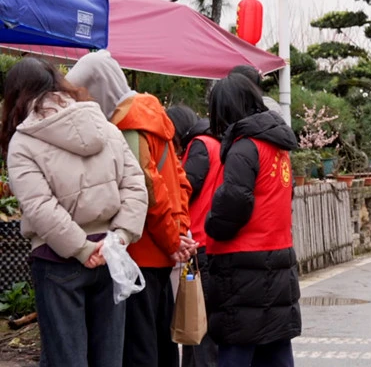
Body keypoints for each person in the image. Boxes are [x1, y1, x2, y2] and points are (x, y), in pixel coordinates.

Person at [1, 58, 148, 367]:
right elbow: (136, 185)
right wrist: (120, 237)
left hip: (58, 261)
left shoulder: (23, 142)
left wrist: (81, 249)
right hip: (111, 255)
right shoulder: (105, 128)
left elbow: (39, 207)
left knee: (65, 359)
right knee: (108, 359)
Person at [66, 51, 196, 367]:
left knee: (140, 350)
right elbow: (180, 183)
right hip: (162, 255)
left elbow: (149, 193)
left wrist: (171, 241)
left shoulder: (127, 127)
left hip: (139, 255)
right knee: (162, 344)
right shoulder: (157, 118)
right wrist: (178, 234)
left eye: (83, 95)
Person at [205, 74, 301, 367]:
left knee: (237, 350)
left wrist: (212, 225)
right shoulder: (277, 146)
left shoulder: (244, 147)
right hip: (279, 253)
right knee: (275, 349)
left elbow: (234, 201)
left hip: (242, 262)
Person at [166, 105, 221, 367]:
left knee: (197, 323)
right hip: (207, 244)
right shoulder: (213, 143)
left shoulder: (200, 145)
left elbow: (186, 187)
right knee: (197, 325)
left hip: (199, 245)